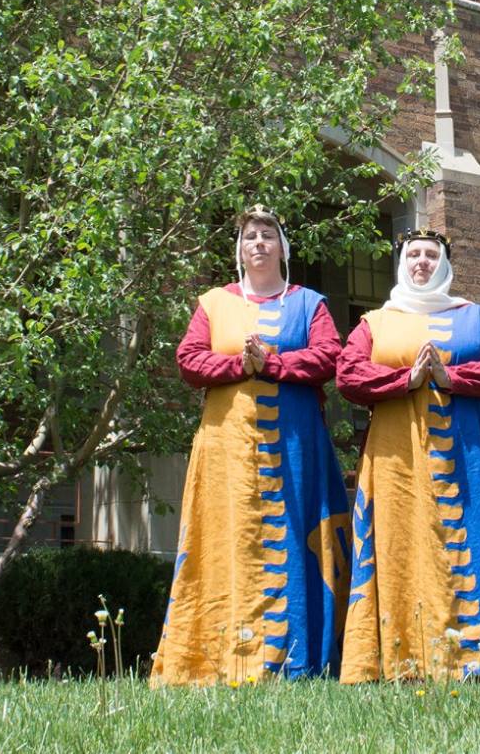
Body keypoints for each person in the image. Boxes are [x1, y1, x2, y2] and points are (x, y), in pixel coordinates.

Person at [335, 228, 480, 682]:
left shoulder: (477, 318)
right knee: (400, 545)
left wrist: (451, 377)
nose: (421, 262)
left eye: (430, 255)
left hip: (473, 456)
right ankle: (403, 661)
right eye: (413, 255)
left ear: (444, 265)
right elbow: (348, 376)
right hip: (396, 461)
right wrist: (405, 380)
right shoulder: (375, 322)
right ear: (402, 264)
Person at [150, 205, 351, 685]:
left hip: (296, 448)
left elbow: (330, 357)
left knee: (300, 537)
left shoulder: (309, 303)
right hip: (228, 451)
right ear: (239, 250)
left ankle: (302, 658)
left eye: (267, 235)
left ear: (283, 247)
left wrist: (273, 364)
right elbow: (189, 361)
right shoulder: (214, 303)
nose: (258, 243)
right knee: (226, 540)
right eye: (249, 237)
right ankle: (220, 655)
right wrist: (241, 366)